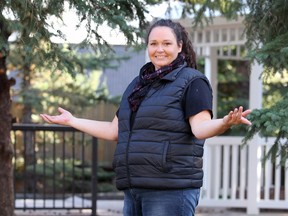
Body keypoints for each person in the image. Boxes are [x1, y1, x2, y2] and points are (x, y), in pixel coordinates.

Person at [40, 19, 252, 216]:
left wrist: (225, 122)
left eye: (167, 43)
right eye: (153, 43)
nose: (159, 49)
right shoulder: (137, 85)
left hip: (170, 189)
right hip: (134, 188)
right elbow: (115, 130)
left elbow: (200, 128)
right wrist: (72, 120)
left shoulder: (193, 82)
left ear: (179, 46)